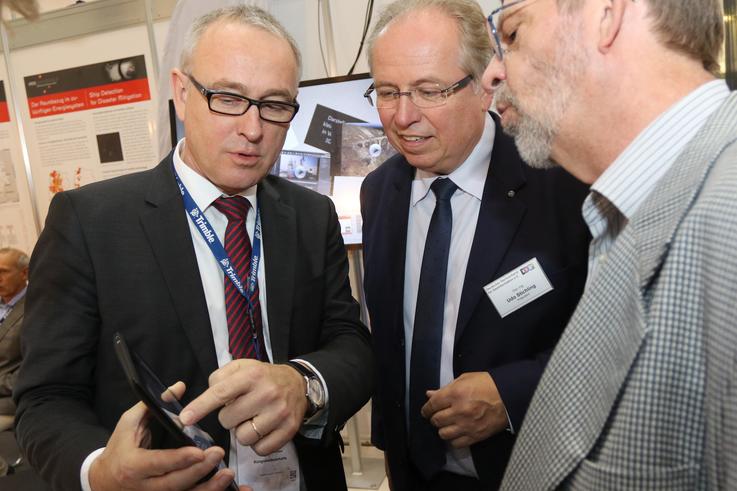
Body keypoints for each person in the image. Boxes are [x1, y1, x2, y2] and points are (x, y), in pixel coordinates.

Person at [14, 5, 373, 491]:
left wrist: (303, 384)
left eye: (275, 105)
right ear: (182, 93)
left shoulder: (311, 215)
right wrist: (99, 471)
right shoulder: (90, 222)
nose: (253, 129)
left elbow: (350, 343)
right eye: (228, 98)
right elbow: (45, 398)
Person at [482, 1, 737, 489]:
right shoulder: (624, 210)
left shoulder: (727, 215)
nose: (494, 72)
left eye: (511, 34)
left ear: (606, 14)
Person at [360, 0, 590, 489]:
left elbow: (613, 340)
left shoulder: (561, 179)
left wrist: (512, 395)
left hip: (525, 468)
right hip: (412, 473)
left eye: (428, 91)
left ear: (484, 84)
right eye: (386, 92)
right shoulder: (379, 192)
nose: (402, 116)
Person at [0, 247, 28, 431]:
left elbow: (35, 367)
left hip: (10, 396)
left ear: (25, 273)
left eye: (3, 272)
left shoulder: (37, 308)